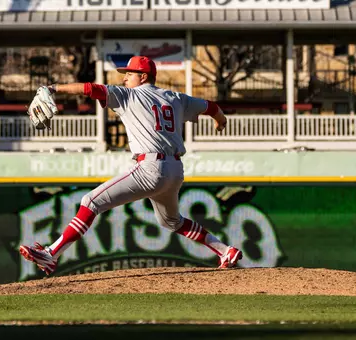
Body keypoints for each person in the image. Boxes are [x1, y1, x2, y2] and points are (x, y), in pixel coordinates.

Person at [19, 56, 242, 275]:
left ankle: (51, 255)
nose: (125, 79)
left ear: (143, 76)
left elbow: (89, 88)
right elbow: (211, 106)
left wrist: (54, 87)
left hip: (150, 168)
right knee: (171, 221)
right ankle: (225, 251)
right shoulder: (175, 97)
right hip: (175, 170)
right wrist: (220, 120)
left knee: (90, 201)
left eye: (129, 74)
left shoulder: (128, 95)